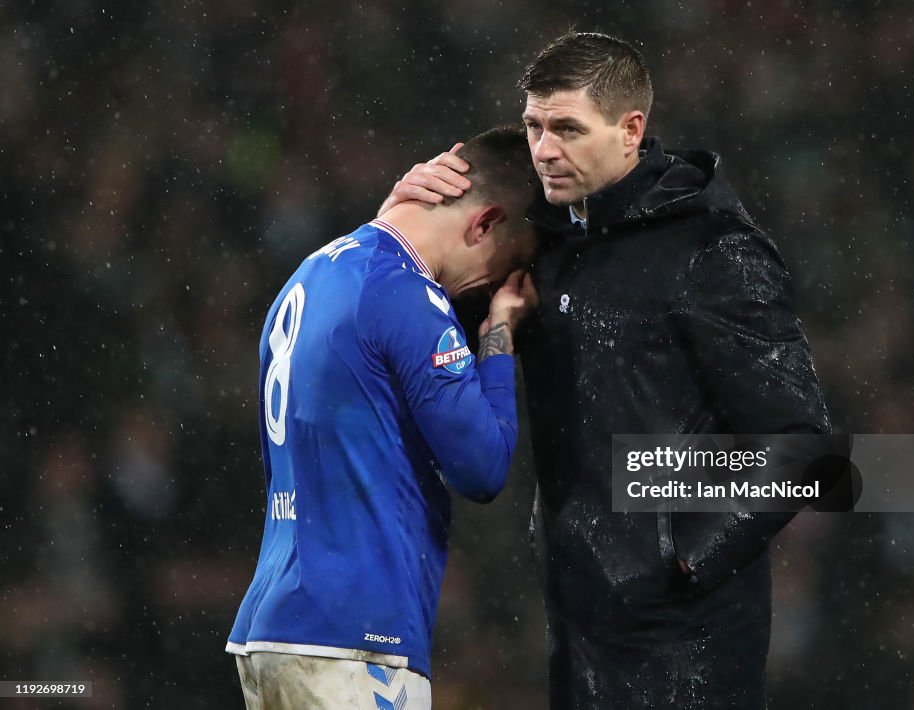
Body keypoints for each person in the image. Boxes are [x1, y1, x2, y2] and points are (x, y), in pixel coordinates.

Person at [381, 32, 831, 709]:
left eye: (566, 128)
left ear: (631, 130)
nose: (543, 150)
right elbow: (423, 308)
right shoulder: (550, 238)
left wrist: (674, 556)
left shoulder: (711, 251)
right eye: (534, 126)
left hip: (683, 646)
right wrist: (403, 213)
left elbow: (802, 451)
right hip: (576, 621)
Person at [226, 125, 541, 710]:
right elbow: (483, 467)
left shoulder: (313, 271)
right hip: (355, 640)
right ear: (486, 223)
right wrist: (499, 334)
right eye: (511, 261)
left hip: (274, 629)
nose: (497, 282)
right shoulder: (407, 296)